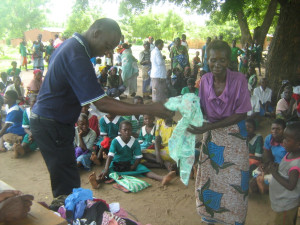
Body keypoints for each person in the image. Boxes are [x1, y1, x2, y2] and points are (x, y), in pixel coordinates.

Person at [30, 18, 171, 200]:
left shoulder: (71, 47)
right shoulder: (76, 54)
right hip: (51, 124)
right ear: (95, 33)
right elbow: (102, 104)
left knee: (67, 180)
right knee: (68, 188)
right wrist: (151, 108)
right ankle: (67, 216)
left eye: (112, 48)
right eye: (107, 45)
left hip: (52, 122)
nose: (108, 52)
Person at [187, 40, 252, 225]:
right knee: (210, 179)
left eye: (222, 60)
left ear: (229, 61)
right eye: (212, 59)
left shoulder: (239, 79)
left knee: (235, 183)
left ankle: (234, 220)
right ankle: (210, 218)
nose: (216, 64)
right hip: (213, 137)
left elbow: (241, 114)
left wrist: (207, 127)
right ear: (207, 59)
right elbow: (202, 109)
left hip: (235, 137)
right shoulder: (205, 80)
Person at [89, 121, 176, 189]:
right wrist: (106, 168)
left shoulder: (135, 142)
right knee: (107, 172)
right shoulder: (115, 141)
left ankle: (162, 178)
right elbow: (110, 156)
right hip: (117, 163)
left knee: (144, 169)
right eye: (125, 130)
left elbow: (138, 158)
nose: (127, 132)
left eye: (129, 130)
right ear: (120, 131)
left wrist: (133, 166)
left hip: (130, 162)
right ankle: (97, 181)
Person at [269, 122, 300, 225]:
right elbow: (285, 171)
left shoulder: (296, 164)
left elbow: (291, 185)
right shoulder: (290, 153)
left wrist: (275, 174)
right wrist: (277, 168)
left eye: (287, 139)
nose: (283, 141)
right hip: (283, 201)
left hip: (287, 204)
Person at [251, 119, 287, 194]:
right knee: (255, 173)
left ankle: (265, 188)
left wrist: (275, 169)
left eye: (278, 129)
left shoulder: (288, 142)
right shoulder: (269, 138)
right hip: (274, 164)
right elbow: (268, 157)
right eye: (273, 128)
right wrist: (265, 166)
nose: (275, 131)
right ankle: (263, 185)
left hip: (285, 167)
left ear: (284, 130)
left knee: (268, 178)